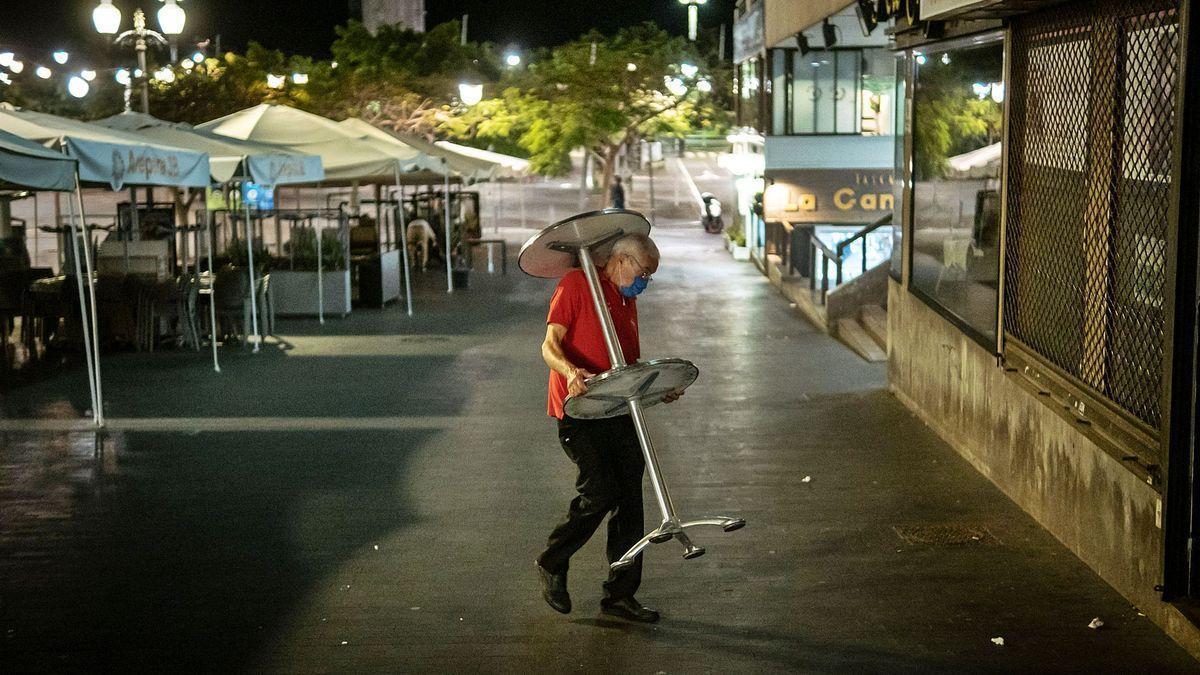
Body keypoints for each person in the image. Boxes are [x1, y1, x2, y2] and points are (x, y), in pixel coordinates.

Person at [534, 233, 681, 623]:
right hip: (578, 410)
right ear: (622, 260)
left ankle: (620, 594)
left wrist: (657, 388)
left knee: (630, 500)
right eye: (645, 272)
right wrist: (570, 371)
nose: (644, 281)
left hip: (618, 410)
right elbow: (549, 345)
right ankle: (553, 559)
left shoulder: (624, 296)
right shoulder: (577, 284)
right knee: (599, 491)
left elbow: (626, 365)